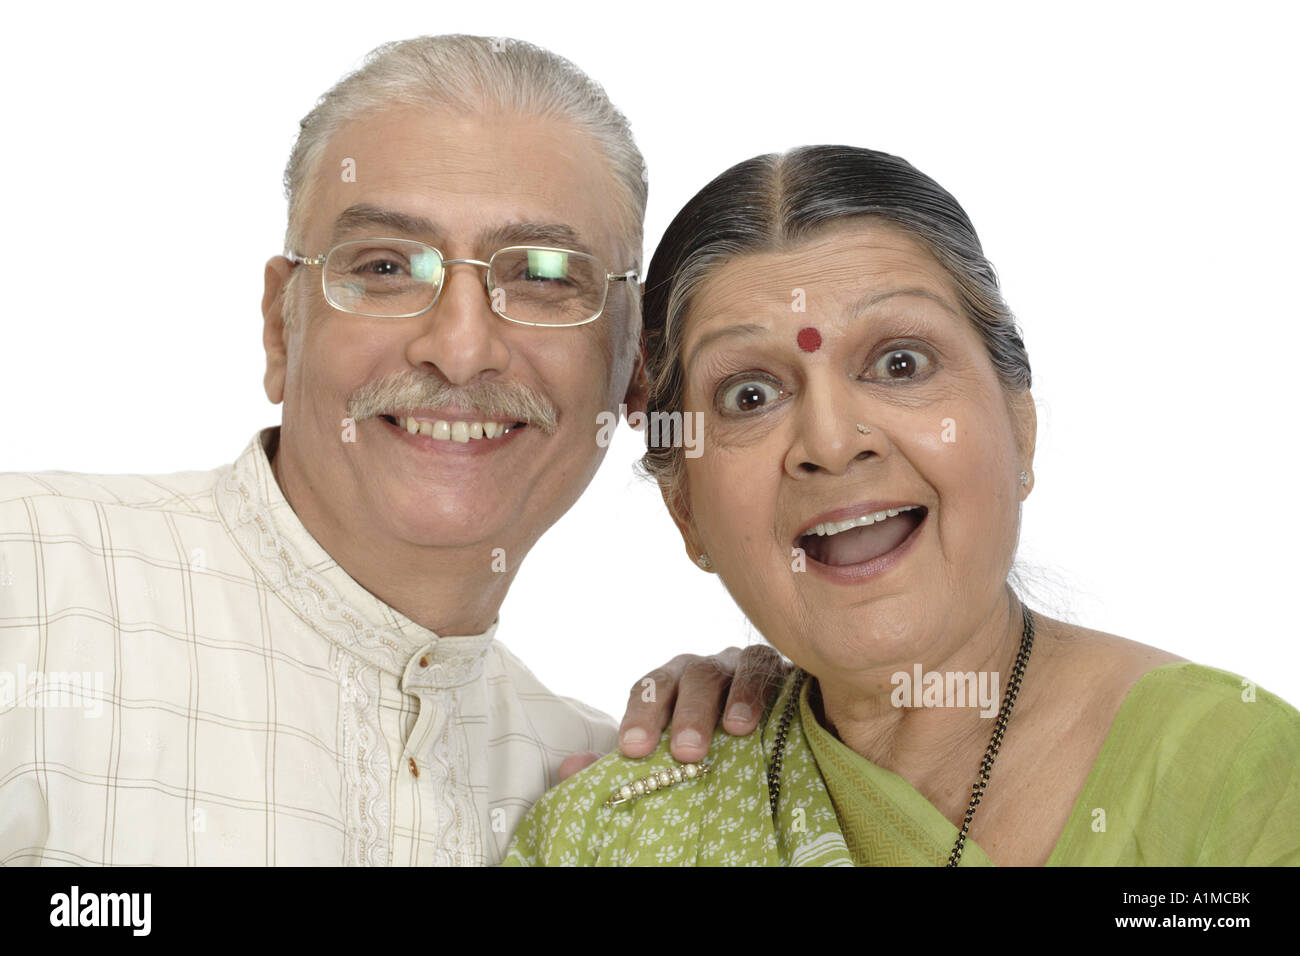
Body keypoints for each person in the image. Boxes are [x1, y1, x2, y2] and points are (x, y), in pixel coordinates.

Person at [0, 34, 774, 867]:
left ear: (635, 372)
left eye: (546, 275)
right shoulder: (30, 584)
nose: (461, 347)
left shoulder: (606, 802)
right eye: (385, 266)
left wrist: (802, 717)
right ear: (279, 325)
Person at [505, 145, 1300, 866]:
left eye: (898, 362)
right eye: (750, 394)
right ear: (685, 512)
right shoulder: (612, 834)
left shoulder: (1237, 776)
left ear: (1018, 428)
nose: (832, 440)